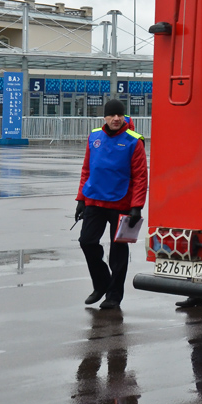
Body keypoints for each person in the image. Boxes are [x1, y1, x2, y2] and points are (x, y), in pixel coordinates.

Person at [75, 99, 147, 310]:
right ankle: (101, 284)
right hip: (94, 201)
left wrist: (137, 206)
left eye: (120, 115)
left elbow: (141, 176)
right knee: (87, 242)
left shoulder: (134, 141)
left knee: (118, 252)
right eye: (112, 115)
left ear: (124, 116)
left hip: (122, 203)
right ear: (104, 117)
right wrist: (80, 200)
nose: (116, 118)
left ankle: (114, 295)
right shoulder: (94, 137)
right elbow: (87, 170)